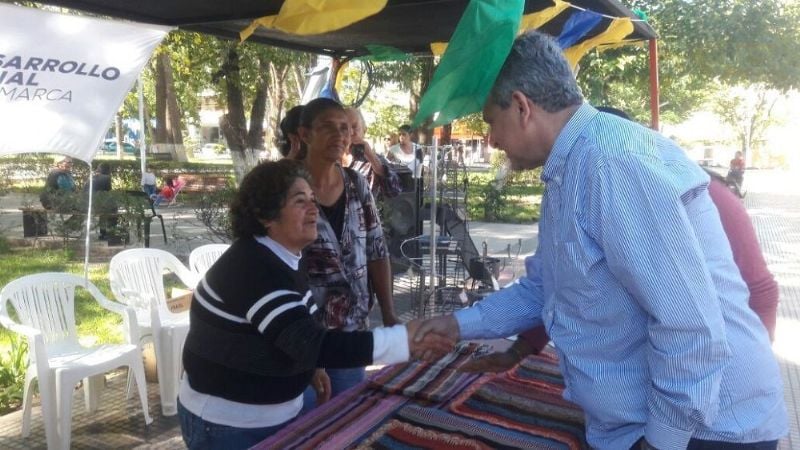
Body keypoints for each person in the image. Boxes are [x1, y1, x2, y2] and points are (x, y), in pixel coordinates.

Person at [414, 31, 787, 450]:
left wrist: (661, 442)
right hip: (652, 426)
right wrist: (458, 324)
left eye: (490, 123)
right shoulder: (572, 167)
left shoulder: (611, 162)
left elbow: (687, 324)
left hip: (704, 433)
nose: (492, 141)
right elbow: (545, 288)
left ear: (521, 107)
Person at [464, 107, 780, 374]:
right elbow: (558, 287)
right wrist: (517, 351)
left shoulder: (704, 194)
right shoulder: (588, 188)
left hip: (713, 390)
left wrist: (743, 371)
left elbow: (757, 293)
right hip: (652, 381)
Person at [178, 159, 446, 450]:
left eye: (313, 200)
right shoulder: (253, 267)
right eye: (299, 201)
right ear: (266, 215)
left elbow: (298, 324)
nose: (313, 209)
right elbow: (309, 342)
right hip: (228, 427)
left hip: (270, 415)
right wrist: (403, 341)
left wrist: (313, 367)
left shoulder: (286, 254)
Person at [298, 98, 400, 411]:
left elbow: (376, 251)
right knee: (303, 426)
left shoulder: (356, 184)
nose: (339, 135)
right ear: (304, 135)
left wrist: (388, 312)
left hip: (351, 329)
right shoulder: (289, 187)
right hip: (300, 333)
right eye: (327, 127)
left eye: (344, 128)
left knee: (345, 417)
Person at [341, 107, 400, 201]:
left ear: (364, 130)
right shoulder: (331, 157)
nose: (350, 132)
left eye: (355, 126)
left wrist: (371, 157)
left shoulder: (374, 159)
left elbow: (394, 191)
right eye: (345, 128)